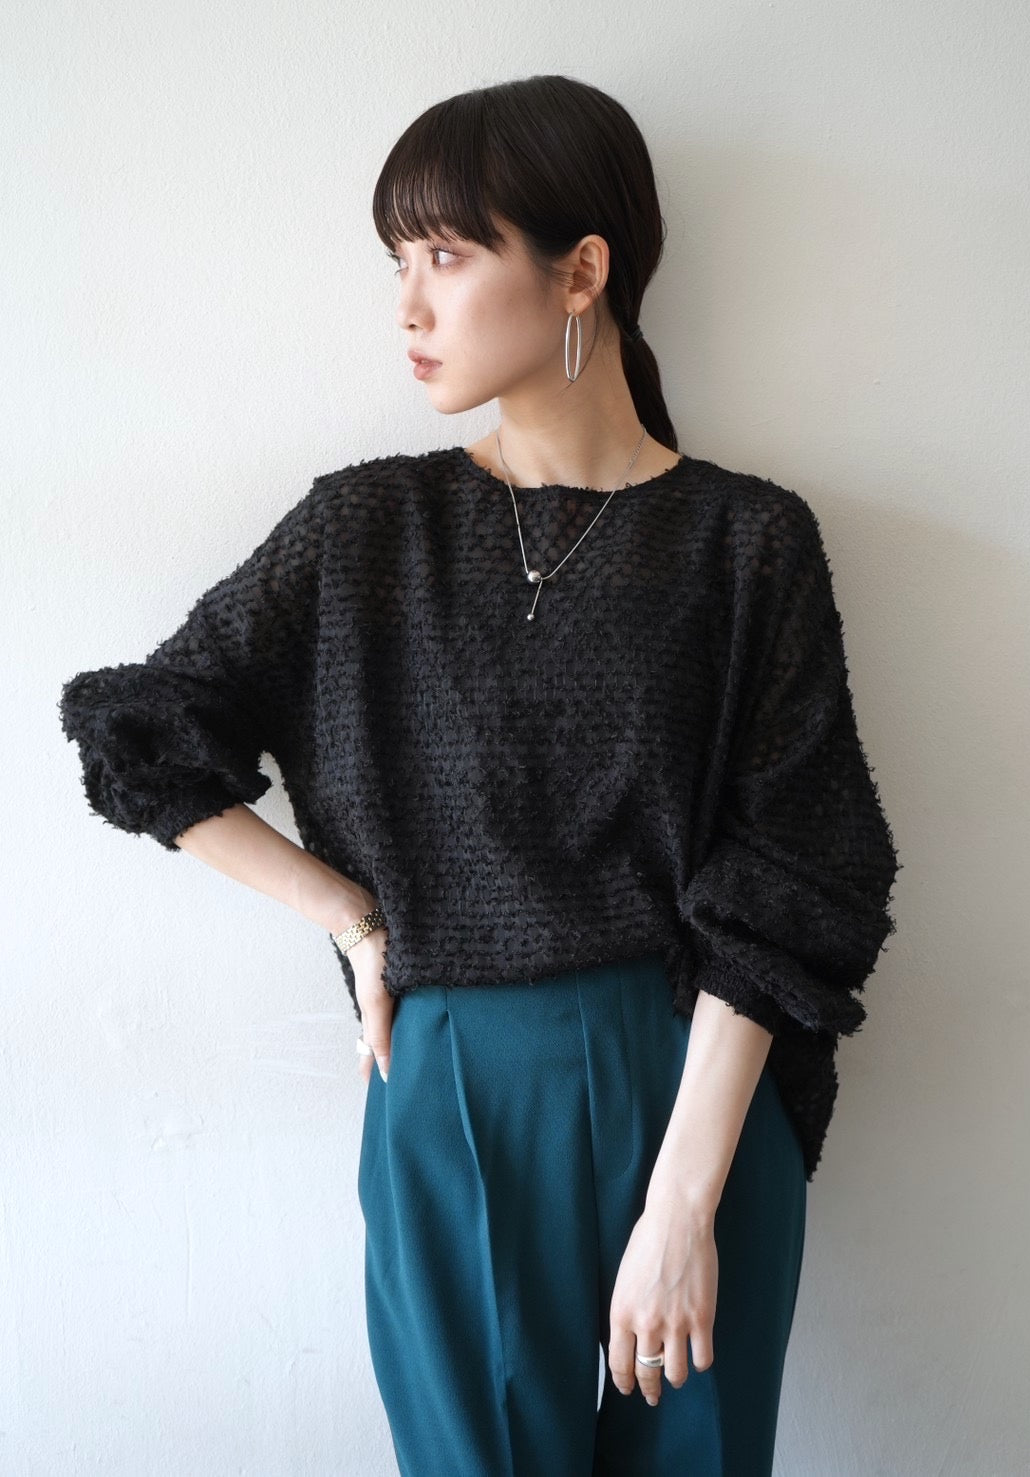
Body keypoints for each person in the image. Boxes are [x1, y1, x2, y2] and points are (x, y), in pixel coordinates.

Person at [57, 73, 900, 1477]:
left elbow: (802, 869)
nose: (407, 305)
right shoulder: (364, 531)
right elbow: (135, 734)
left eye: (445, 256)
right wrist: (347, 915)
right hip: (452, 1085)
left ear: (580, 272)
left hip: (695, 1078)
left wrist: (683, 1204)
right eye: (398, 261)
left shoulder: (746, 543)